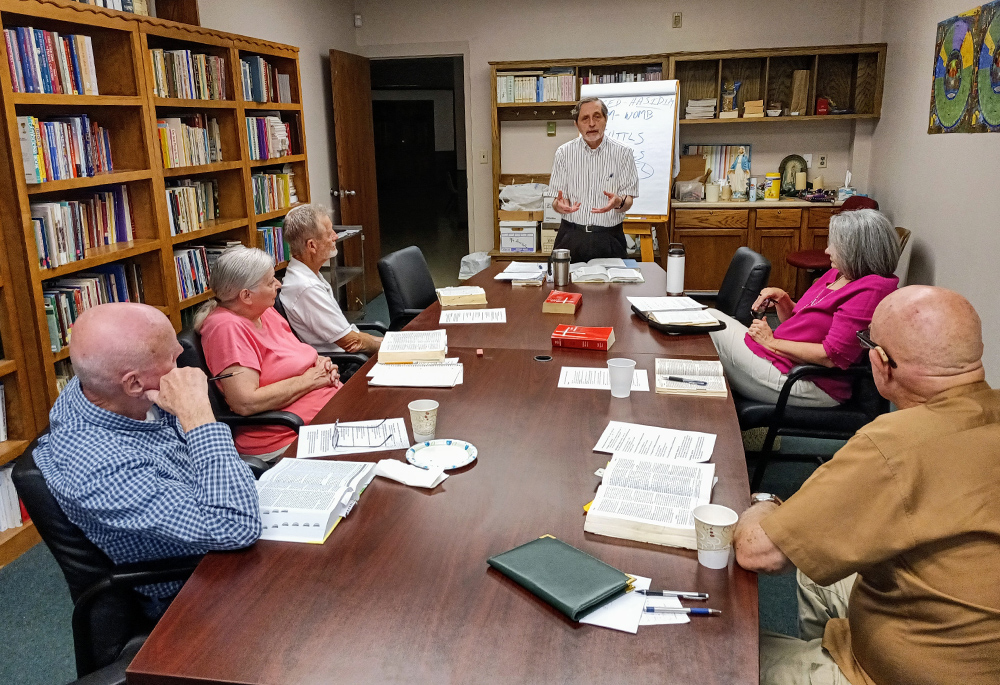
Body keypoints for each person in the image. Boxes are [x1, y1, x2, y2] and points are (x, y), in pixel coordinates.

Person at [734, 285, 1000, 685]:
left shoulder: (894, 442)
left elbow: (759, 552)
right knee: (815, 566)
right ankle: (823, 654)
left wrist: (767, 502)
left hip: (905, 673)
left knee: (714, 658)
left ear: (880, 362)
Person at [32, 303, 261, 617]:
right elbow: (233, 528)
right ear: (134, 384)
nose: (182, 358)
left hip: (222, 525)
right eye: (171, 358)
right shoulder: (100, 468)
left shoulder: (104, 388)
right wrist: (200, 418)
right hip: (196, 586)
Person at [709, 208, 900, 407]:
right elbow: (797, 322)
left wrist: (771, 342)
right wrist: (783, 299)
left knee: (709, 327)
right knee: (708, 318)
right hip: (782, 360)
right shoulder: (838, 275)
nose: (827, 251)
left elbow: (830, 357)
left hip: (808, 381)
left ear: (856, 251)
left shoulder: (870, 291)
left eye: (836, 246)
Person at [195, 246, 341, 460]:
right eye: (270, 281)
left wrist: (323, 366)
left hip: (323, 415)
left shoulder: (265, 310)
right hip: (288, 435)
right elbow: (245, 402)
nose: (278, 284)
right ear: (246, 295)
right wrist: (312, 380)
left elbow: (294, 355)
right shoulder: (226, 328)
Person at [279, 204, 381, 356]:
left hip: (351, 355)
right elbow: (352, 342)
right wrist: (392, 347)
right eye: (329, 233)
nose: (336, 236)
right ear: (312, 245)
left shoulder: (308, 275)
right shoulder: (306, 288)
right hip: (344, 364)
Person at [547, 96, 640, 263]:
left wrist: (618, 201)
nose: (591, 124)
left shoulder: (623, 153)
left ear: (605, 120)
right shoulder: (564, 153)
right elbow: (557, 200)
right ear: (577, 124)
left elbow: (628, 200)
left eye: (597, 117)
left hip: (609, 237)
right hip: (571, 237)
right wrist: (560, 206)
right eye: (585, 118)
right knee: (565, 287)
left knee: (612, 288)